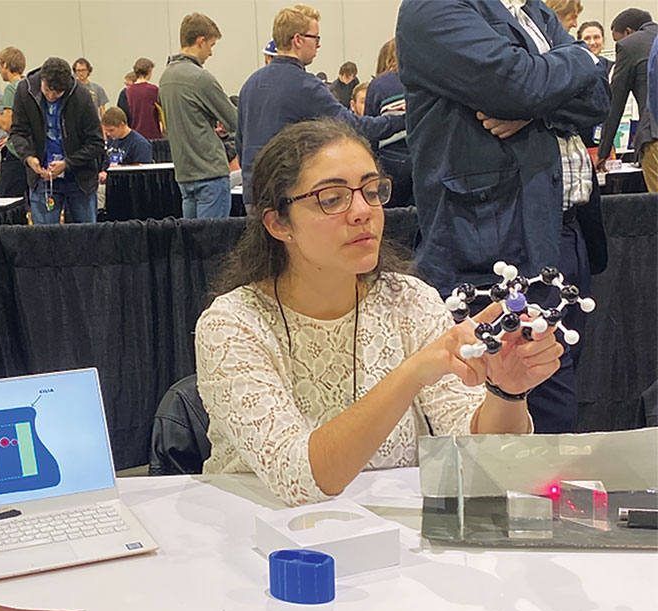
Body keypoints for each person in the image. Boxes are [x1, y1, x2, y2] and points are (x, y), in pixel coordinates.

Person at [195, 120, 561, 506]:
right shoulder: (233, 325)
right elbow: (299, 481)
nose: (362, 211)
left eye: (372, 191)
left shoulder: (408, 300)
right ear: (278, 223)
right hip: (263, 537)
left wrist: (505, 392)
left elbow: (477, 455)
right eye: (332, 199)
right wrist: (412, 372)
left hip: (393, 542)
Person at [397, 0, 610, 435]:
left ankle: (548, 500)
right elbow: (515, 85)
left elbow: (597, 102)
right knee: (502, 403)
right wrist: (584, 59)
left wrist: (535, 107)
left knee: (556, 389)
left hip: (565, 233)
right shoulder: (433, 9)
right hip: (492, 241)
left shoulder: (532, 9)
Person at [236, 4, 405, 210]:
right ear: (298, 40)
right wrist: (402, 118)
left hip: (253, 195)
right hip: (287, 196)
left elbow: (241, 143)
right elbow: (355, 128)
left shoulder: (250, 84)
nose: (318, 45)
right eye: (315, 38)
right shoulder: (306, 86)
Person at [159, 12, 238, 219]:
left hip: (185, 175)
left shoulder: (165, 78)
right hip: (210, 174)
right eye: (211, 45)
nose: (210, 53)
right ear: (200, 41)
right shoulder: (200, 77)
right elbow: (234, 120)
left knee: (192, 246)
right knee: (214, 244)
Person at [11, 57, 105, 224]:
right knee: (45, 240)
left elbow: (96, 143)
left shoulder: (82, 96)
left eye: (58, 92)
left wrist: (68, 163)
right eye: (47, 90)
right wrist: (29, 158)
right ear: (42, 79)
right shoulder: (25, 91)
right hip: (42, 178)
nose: (52, 96)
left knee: (86, 239)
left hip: (80, 179)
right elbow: (18, 132)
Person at [596, 9, 658, 192]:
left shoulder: (629, 45)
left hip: (654, 135)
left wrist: (603, 152)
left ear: (629, 32)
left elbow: (615, 103)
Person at [365, 37, 413, 207]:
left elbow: (369, 133)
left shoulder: (378, 85)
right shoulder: (421, 80)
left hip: (393, 162)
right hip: (424, 157)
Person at [0, 46, 27, 196]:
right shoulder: (28, 86)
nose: (0, 70)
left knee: (8, 199)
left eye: (0, 65)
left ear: (6, 65)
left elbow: (7, 125)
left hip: (15, 155)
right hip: (29, 152)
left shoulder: (11, 89)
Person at [126, 57, 162, 139]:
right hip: (152, 131)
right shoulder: (153, 89)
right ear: (149, 71)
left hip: (136, 132)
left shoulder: (129, 90)